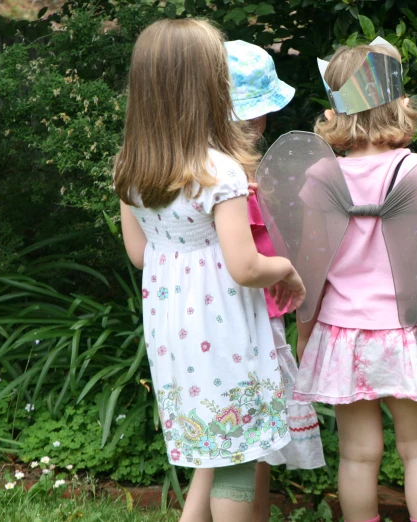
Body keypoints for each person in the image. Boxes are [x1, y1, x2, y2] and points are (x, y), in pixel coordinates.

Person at [114, 19, 305, 522]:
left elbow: (139, 254)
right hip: (225, 331)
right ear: (207, 88)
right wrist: (285, 268)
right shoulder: (219, 170)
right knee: (238, 455)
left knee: (213, 444)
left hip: (172, 330)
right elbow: (244, 266)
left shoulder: (130, 167)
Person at [291, 42, 417, 522]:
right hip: (404, 331)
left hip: (343, 334)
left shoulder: (323, 175)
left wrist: (304, 333)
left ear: (337, 110)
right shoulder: (415, 169)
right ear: (397, 103)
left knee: (357, 455)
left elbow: (313, 264)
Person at [181, 40, 325, 522]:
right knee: (249, 438)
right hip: (250, 323)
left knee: (224, 445)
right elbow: (251, 259)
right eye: (255, 116)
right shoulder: (231, 180)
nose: (260, 126)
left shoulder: (200, 171)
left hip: (211, 317)